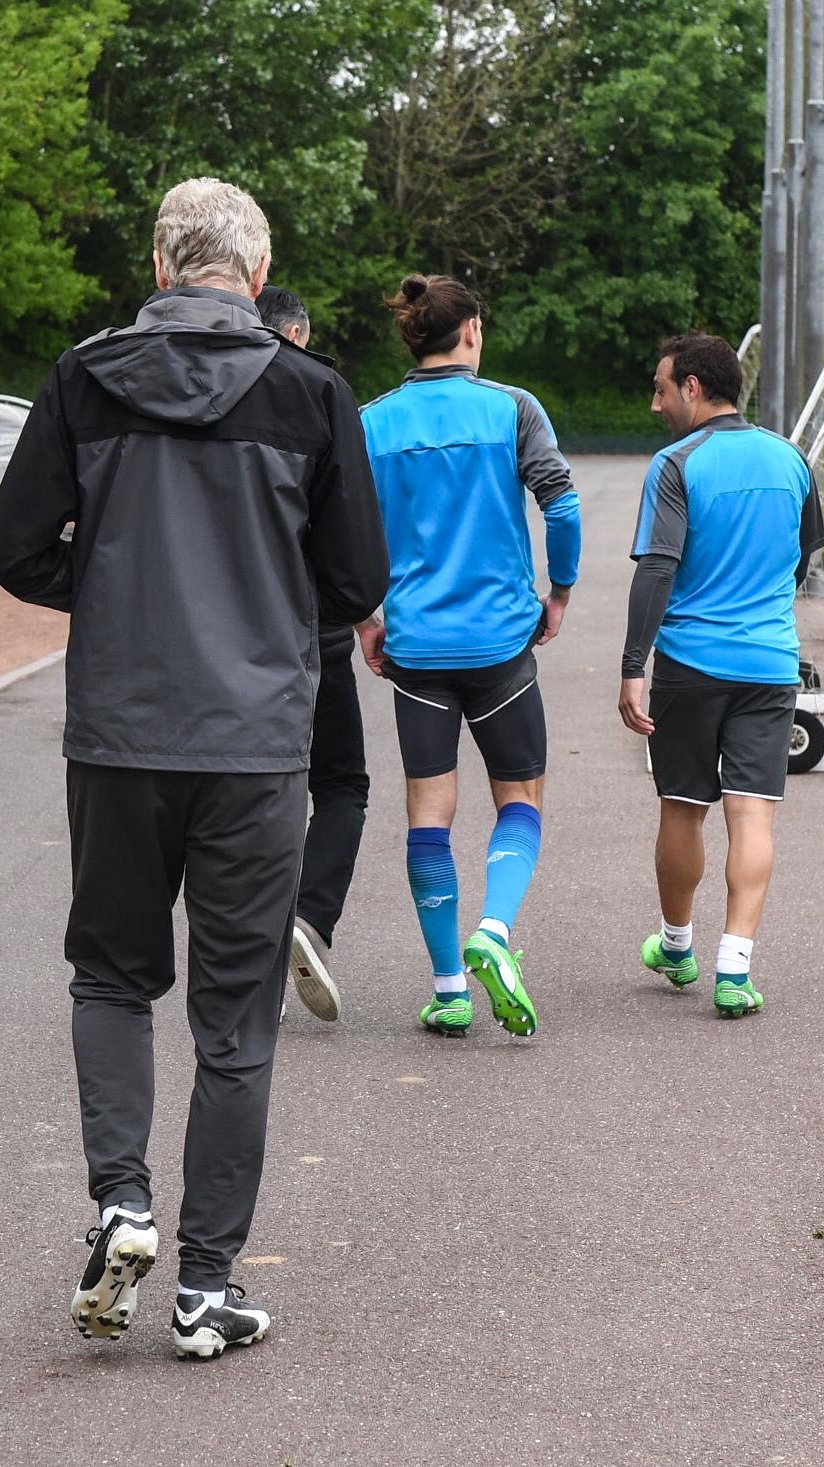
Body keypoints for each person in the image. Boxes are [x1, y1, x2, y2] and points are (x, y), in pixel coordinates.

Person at [0, 178, 388, 1359]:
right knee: (235, 1016)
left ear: (160, 267)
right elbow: (355, 579)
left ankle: (121, 1200)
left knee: (112, 979)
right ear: (255, 278)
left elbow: (14, 547)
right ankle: (206, 1288)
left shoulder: (82, 376)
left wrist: (115, 589)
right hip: (254, 741)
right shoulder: (311, 392)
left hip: (119, 730)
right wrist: (263, 615)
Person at [358, 274, 581, 1038]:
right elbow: (562, 502)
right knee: (519, 799)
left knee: (429, 813)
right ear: (473, 331)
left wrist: (365, 619)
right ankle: (493, 928)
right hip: (500, 644)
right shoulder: (512, 408)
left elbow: (342, 534)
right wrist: (560, 589)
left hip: (415, 647)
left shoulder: (372, 421)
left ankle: (449, 987)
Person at [618, 332, 824, 1018]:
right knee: (752, 811)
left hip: (691, 663)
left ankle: (677, 947)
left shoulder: (676, 464)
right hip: (770, 662)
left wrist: (632, 666)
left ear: (694, 387)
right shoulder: (791, 458)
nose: (656, 404)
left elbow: (657, 568)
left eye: (661, 389)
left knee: (683, 805)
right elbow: (804, 555)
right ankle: (735, 969)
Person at [255, 284, 370, 1022]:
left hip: (233, 636)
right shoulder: (322, 395)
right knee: (341, 785)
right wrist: (357, 615)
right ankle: (309, 914)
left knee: (254, 794)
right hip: (313, 629)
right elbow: (351, 537)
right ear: (297, 334)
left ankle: (247, 954)